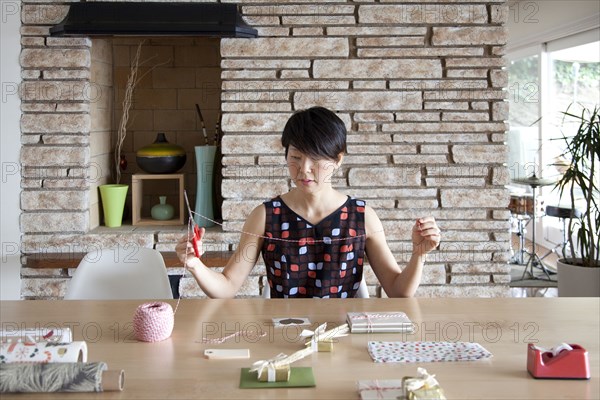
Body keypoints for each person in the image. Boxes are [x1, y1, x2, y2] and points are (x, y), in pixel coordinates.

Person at [177, 107, 441, 298]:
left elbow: (398, 290)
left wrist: (419, 254)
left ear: (338, 160)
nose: (304, 169)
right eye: (295, 157)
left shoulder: (362, 216)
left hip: (344, 335)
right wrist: (195, 265)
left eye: (316, 160)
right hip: (283, 335)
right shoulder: (265, 216)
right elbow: (227, 286)